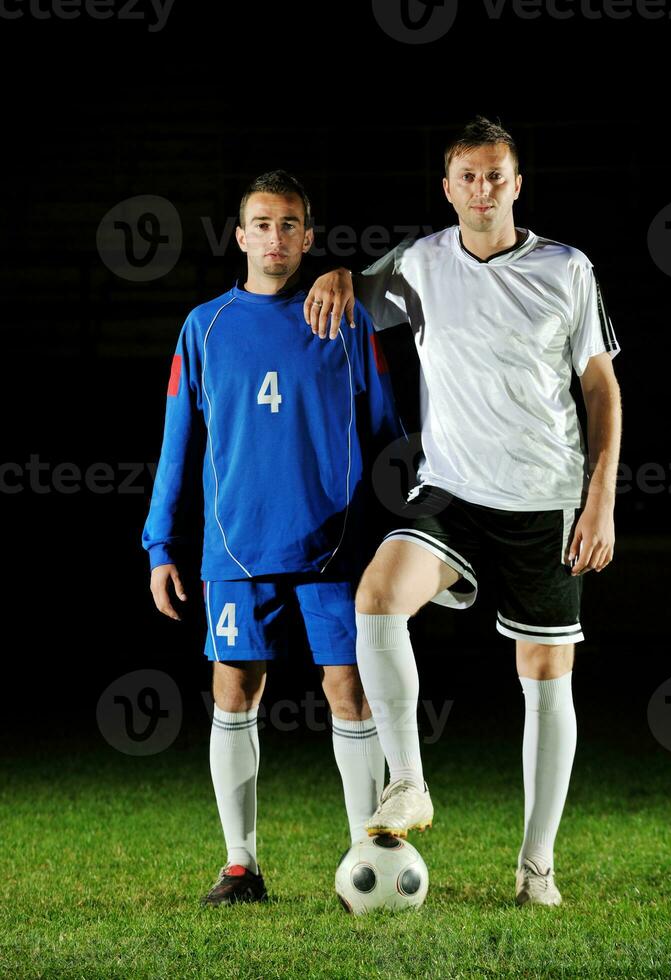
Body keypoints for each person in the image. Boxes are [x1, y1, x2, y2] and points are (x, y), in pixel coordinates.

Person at [304, 117, 622, 907]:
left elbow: (599, 387)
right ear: (447, 189)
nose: (482, 190)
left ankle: (534, 866)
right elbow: (352, 296)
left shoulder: (566, 268)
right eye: (467, 177)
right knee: (376, 598)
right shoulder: (419, 262)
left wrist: (600, 498)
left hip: (544, 496)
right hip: (449, 487)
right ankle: (407, 780)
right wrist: (340, 272)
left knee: (546, 678)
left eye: (496, 176)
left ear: (517, 184)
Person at [142, 170, 402, 906]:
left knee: (349, 691)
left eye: (290, 225)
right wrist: (159, 544)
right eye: (262, 223)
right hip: (236, 545)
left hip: (336, 545)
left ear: (309, 237)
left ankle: (368, 863)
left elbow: (389, 431)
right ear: (239, 235)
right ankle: (240, 866)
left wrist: (414, 527)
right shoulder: (205, 326)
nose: (276, 238)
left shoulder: (345, 319)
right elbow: (176, 444)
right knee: (235, 690)